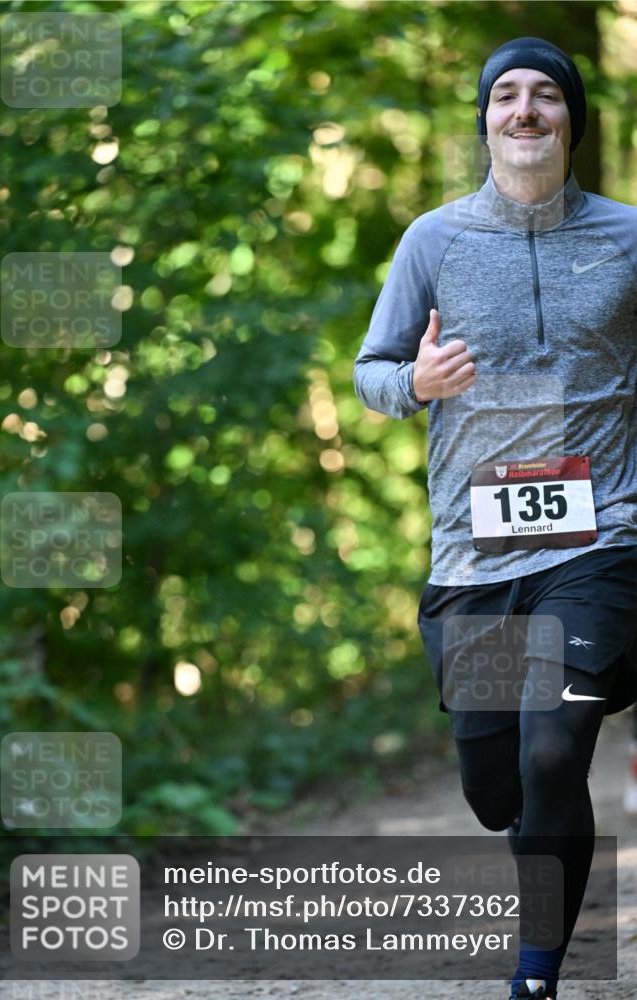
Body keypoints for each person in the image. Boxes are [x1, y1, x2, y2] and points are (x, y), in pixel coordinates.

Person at [353, 36, 637, 1000]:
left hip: (600, 539)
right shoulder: (432, 240)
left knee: (555, 749)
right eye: (505, 95)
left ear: (571, 121)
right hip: (475, 556)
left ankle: (535, 976)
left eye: (545, 96)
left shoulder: (627, 238)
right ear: (484, 119)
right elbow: (371, 373)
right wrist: (415, 383)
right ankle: (541, 849)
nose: (524, 110)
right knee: (499, 791)